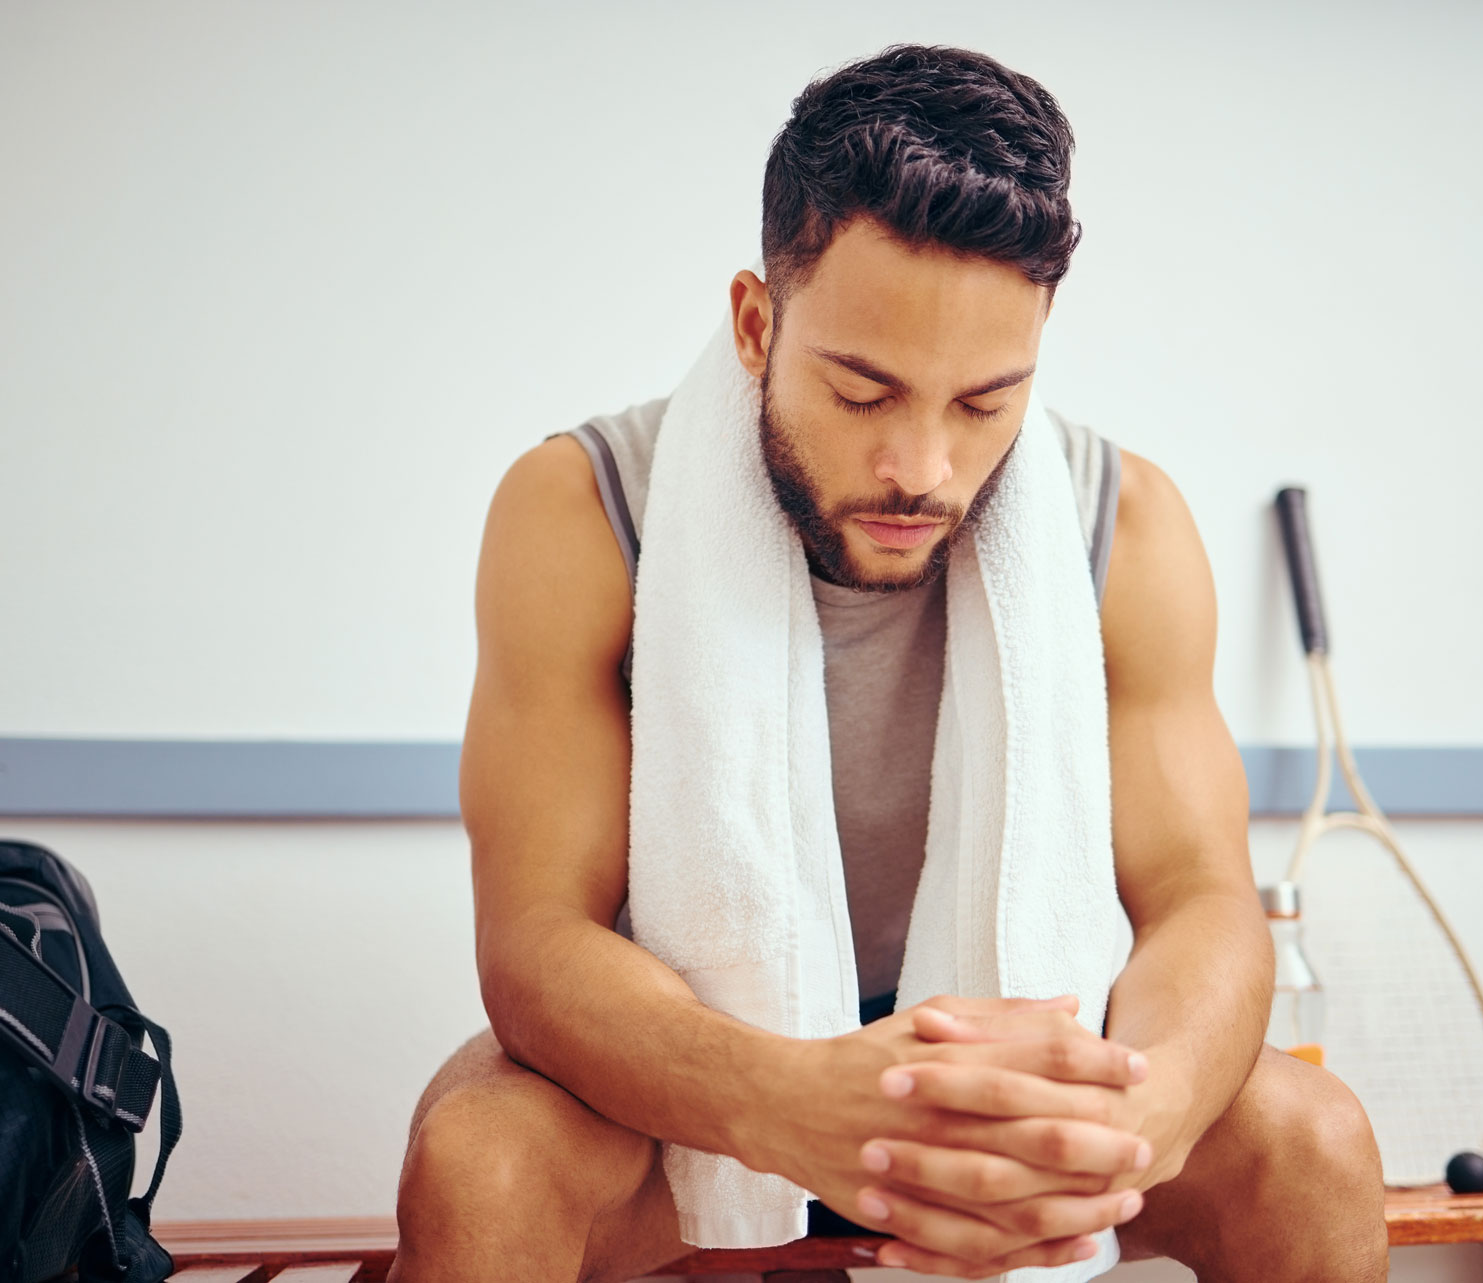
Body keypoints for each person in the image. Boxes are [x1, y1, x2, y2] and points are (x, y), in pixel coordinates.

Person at [389, 44, 1386, 1283]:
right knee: (480, 1157)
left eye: (983, 403)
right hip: (690, 1073)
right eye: (864, 391)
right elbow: (536, 935)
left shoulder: (1124, 524)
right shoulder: (581, 509)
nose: (924, 466)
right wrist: (783, 1094)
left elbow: (1201, 898)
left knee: (1315, 1138)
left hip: (1016, 1066)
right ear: (758, 322)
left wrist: (1143, 1113)